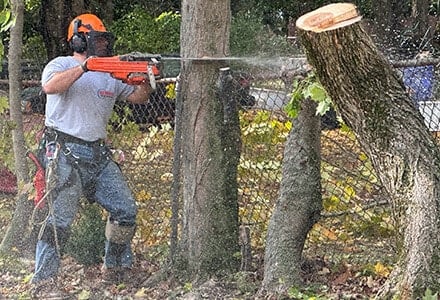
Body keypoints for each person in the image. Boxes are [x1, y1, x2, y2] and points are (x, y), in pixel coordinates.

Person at [30, 13, 151, 291]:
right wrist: (85, 67)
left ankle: (116, 269)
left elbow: (137, 97)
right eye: (97, 40)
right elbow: (50, 87)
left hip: (98, 153)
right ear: (79, 40)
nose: (103, 45)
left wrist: (144, 78)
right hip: (64, 150)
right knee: (59, 219)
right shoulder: (60, 65)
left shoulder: (110, 72)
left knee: (125, 210)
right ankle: (44, 281)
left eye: (105, 40)